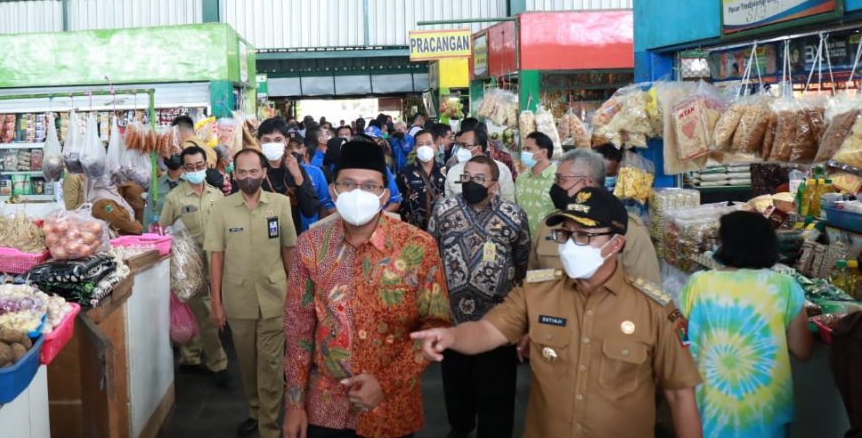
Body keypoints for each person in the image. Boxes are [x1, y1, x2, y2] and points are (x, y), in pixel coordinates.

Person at [412, 188, 704, 438]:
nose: (569, 244)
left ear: (616, 244)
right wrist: (451, 336)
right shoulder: (538, 291)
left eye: (583, 236)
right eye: (564, 233)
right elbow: (488, 331)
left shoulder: (654, 309)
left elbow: (679, 395)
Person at [283, 139, 452, 438]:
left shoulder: (417, 247)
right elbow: (298, 328)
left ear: (385, 194)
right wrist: (295, 404)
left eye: (369, 186)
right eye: (348, 183)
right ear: (334, 191)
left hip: (392, 405)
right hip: (326, 405)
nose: (357, 193)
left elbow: (436, 327)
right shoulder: (310, 245)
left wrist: (385, 383)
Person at [680, 211, 812, 437]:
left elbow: (681, 339)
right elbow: (803, 350)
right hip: (764, 412)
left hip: (711, 409)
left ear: (724, 244)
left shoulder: (699, 283)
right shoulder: (785, 287)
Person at [427, 155, 530, 438]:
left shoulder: (514, 216)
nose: (472, 183)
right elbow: (430, 253)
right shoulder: (444, 210)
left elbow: (522, 262)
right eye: (467, 177)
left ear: (494, 185)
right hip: (453, 318)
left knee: (497, 392)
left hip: (498, 320)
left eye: (479, 178)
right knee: (456, 387)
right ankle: (460, 427)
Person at [206, 148, 297, 438]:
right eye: (242, 172)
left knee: (270, 365)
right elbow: (216, 257)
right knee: (247, 363)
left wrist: (296, 296)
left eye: (253, 171)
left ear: (264, 173)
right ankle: (255, 410)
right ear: (234, 174)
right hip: (238, 299)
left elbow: (288, 250)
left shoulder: (280, 204)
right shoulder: (221, 208)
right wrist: (216, 303)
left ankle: (269, 427)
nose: (248, 177)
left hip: (275, 297)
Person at [528, 148, 660, 284]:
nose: (555, 186)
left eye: (561, 180)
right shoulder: (548, 225)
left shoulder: (628, 231)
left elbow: (647, 292)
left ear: (586, 183)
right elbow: (533, 280)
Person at [159, 146, 231, 387]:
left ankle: (190, 358)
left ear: (206, 165)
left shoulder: (216, 195)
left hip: (217, 258)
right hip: (190, 263)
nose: (195, 171)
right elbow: (164, 229)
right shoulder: (175, 198)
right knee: (205, 311)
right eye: (189, 168)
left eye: (199, 166)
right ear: (183, 169)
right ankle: (218, 364)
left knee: (208, 310)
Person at [255, 118, 319, 234]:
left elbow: (310, 211)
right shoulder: (252, 170)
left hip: (291, 236)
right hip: (259, 237)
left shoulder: (297, 169)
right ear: (259, 142)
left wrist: (298, 177)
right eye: (267, 140)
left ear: (286, 141)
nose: (272, 144)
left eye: (278, 140)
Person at [445, 127, 515, 202]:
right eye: (458, 145)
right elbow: (448, 201)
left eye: (464, 145)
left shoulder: (501, 169)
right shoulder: (453, 171)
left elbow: (508, 201)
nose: (460, 149)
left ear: (478, 148)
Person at [396, 129, 447, 231]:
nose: (425, 147)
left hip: (440, 227)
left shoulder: (446, 171)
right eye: (420, 144)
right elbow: (399, 200)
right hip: (412, 229)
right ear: (414, 148)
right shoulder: (405, 173)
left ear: (435, 146)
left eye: (429, 143)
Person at [288, 135, 335, 228]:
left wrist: (319, 229)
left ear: (304, 150)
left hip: (310, 229)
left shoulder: (316, 172)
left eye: (298, 147)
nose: (294, 151)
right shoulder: (280, 173)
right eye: (289, 147)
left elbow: (325, 203)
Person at [515, 131, 557, 231]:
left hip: (548, 240)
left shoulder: (558, 179)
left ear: (543, 152)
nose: (524, 153)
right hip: (523, 240)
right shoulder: (521, 179)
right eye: (524, 149)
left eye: (528, 149)